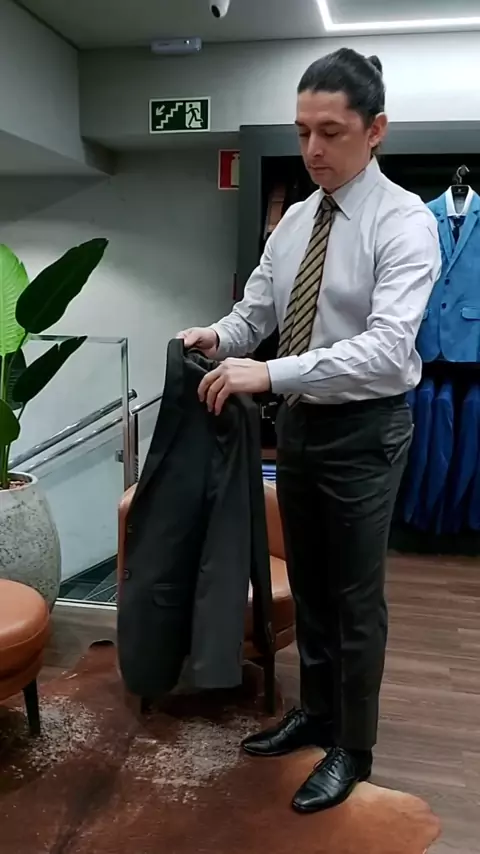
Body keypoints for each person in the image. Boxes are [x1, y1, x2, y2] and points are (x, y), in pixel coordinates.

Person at [177, 47, 441, 813]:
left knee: (355, 597)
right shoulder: (295, 220)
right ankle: (317, 713)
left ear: (375, 129)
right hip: (299, 426)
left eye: (331, 131)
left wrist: (271, 374)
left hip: (366, 430)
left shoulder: (405, 223)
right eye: (302, 133)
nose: (313, 149)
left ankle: (352, 746)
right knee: (315, 587)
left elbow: (387, 347)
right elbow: (256, 313)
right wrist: (218, 337)